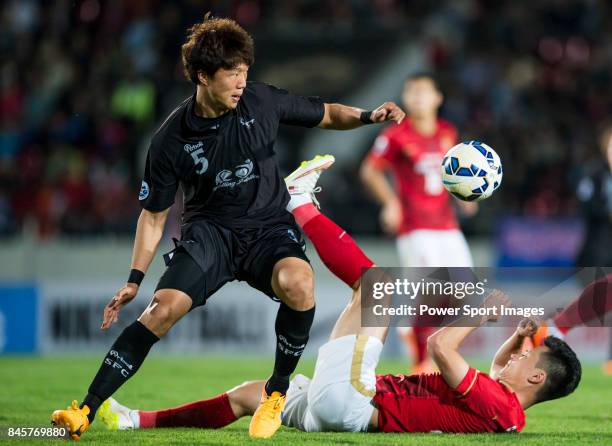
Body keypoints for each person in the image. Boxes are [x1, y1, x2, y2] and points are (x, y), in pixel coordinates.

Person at [50, 14, 405, 441]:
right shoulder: (170, 140)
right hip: (210, 235)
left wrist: (369, 115)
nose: (241, 82)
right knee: (161, 311)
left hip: (268, 229)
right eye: (232, 74)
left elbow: (327, 114)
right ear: (203, 75)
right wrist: (134, 278)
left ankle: (275, 393)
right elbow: (154, 215)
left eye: (245, 73)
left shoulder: (262, 101)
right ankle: (84, 410)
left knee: (300, 283)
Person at [98, 157, 581, 435]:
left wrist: (480, 316)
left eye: (525, 354)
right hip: (343, 407)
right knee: (250, 395)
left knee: (377, 286)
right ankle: (135, 421)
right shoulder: (502, 402)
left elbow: (439, 348)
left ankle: (299, 202)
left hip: (357, 399)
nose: (515, 354)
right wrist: (516, 334)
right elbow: (497, 369)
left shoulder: (502, 407)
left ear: (536, 375)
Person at [360, 72, 476, 373]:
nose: (416, 97)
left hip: (448, 226)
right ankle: (423, 358)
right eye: (410, 92)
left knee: (467, 293)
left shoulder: (448, 132)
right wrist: (390, 202)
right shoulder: (395, 134)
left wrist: (465, 196)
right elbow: (370, 171)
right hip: (416, 228)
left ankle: (417, 334)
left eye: (423, 91)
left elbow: (454, 173)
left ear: (438, 98)